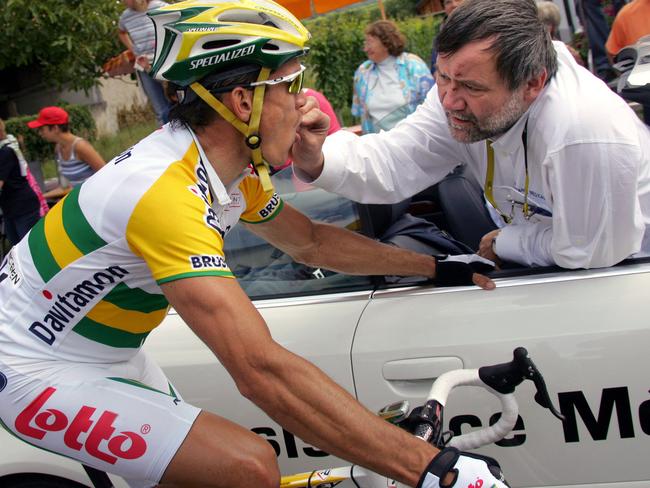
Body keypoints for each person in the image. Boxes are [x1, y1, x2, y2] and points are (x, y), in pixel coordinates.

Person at [0, 1, 504, 488]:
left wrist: (436, 268)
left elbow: (309, 243)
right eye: (292, 85)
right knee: (247, 468)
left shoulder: (230, 173)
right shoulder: (164, 196)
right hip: (32, 367)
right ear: (244, 102)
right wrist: (434, 470)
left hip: (106, 354)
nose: (307, 101)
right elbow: (260, 369)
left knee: (201, 474)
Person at [292, 0, 650, 270]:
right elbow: (396, 160)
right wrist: (317, 156)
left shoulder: (582, 131)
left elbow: (592, 251)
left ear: (532, 83)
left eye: (469, 87)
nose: (448, 100)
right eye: (442, 77)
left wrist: (508, 241)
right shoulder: (459, 88)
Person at [353, 20, 434, 134]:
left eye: (369, 42)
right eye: (365, 43)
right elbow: (361, 112)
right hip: (379, 144)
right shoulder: (363, 71)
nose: (365, 48)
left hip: (415, 138)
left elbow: (433, 104)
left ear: (386, 43)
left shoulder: (413, 65)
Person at [118, 0, 173, 125]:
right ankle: (167, 140)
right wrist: (132, 49)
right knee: (160, 110)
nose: (122, 2)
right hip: (144, 67)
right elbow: (121, 32)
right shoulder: (126, 16)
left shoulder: (160, 7)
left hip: (164, 63)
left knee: (175, 101)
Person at [27, 106, 106, 191]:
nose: (40, 133)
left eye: (42, 129)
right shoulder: (58, 148)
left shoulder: (80, 147)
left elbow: (106, 173)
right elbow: (69, 185)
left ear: (55, 128)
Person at [0, 119, 41, 245]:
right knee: (17, 251)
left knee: (30, 249)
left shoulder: (6, 151)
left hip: (23, 207)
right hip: (10, 209)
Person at [537, 1, 585, 66]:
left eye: (547, 23)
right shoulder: (532, 50)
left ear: (554, 25)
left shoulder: (565, 50)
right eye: (540, 23)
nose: (543, 27)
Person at [430, 0, 464, 75]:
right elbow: (434, 68)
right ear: (444, 8)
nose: (454, 5)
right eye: (448, 2)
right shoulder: (440, 35)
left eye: (458, 0)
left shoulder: (486, 27)